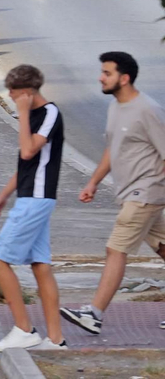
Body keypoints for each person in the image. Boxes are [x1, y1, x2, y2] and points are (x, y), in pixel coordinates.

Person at [62, 52, 162, 336]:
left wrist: (156, 186)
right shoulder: (116, 107)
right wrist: (93, 182)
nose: (100, 78)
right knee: (163, 246)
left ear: (124, 78)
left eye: (107, 73)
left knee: (115, 249)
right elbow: (112, 148)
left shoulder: (148, 110)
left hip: (145, 193)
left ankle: (94, 314)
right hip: (130, 192)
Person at [0, 64, 67, 351]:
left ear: (28, 92)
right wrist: (4, 195)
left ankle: (23, 328)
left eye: (14, 92)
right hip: (29, 195)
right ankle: (55, 340)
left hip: (37, 198)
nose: (10, 96)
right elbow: (26, 165)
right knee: (41, 265)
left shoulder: (50, 113)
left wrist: (22, 114)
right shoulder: (33, 116)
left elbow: (29, 150)